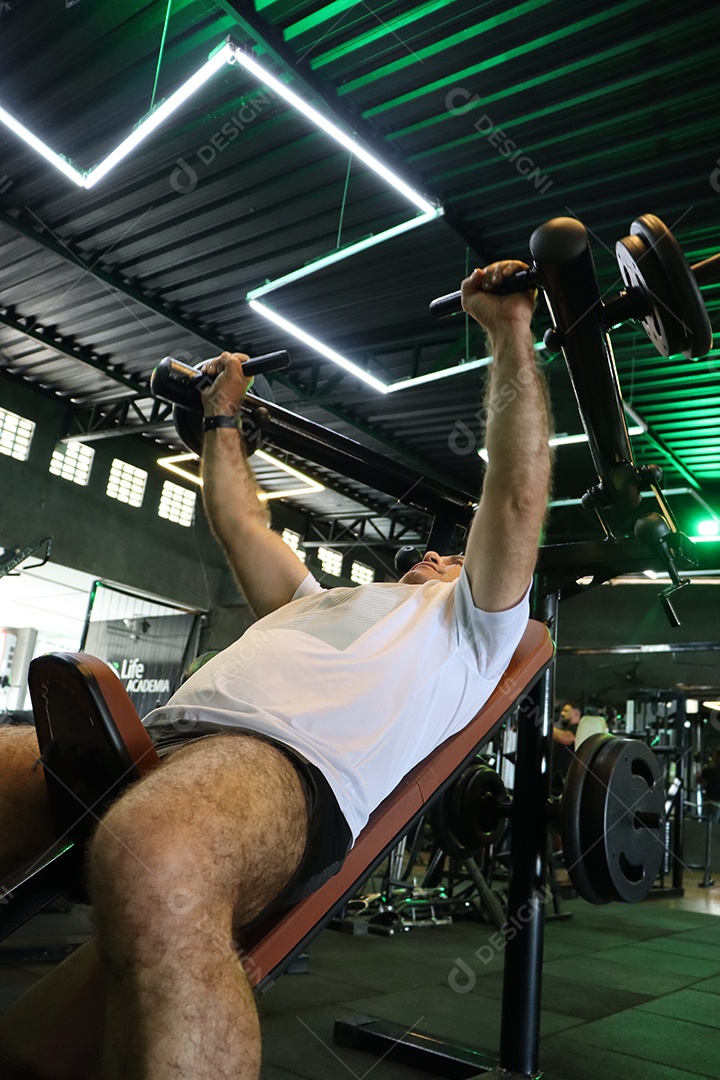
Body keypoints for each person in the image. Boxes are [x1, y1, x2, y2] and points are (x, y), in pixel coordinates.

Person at [0, 260, 552, 1080]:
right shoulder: (318, 600)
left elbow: (511, 501)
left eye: (451, 556)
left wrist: (508, 330)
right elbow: (241, 522)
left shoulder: (476, 628)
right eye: (430, 553)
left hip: (288, 772)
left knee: (156, 852)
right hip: (146, 746)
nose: (436, 554)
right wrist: (224, 417)